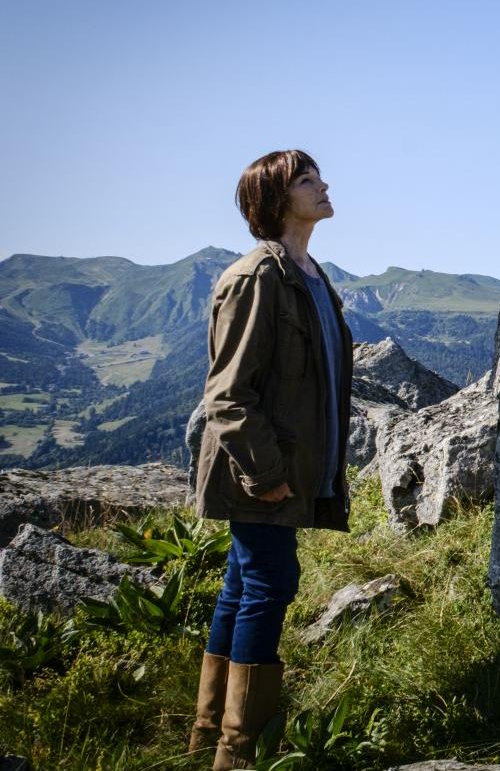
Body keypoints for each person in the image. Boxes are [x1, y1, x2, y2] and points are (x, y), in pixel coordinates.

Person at [188, 149, 352, 769]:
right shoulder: (257, 277)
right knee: (270, 583)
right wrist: (267, 475)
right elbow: (228, 393)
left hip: (286, 469)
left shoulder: (309, 273)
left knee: (242, 585)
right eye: (308, 180)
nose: (324, 185)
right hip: (261, 474)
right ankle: (239, 751)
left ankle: (210, 736)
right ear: (277, 198)